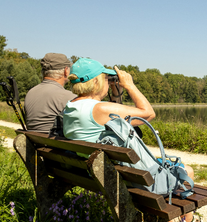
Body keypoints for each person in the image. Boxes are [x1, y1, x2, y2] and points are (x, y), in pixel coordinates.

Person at [61, 57, 194, 180]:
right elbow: (148, 114)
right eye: (107, 78)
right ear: (96, 82)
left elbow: (116, 120)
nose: (109, 82)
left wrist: (116, 92)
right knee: (188, 170)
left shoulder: (70, 107)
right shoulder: (99, 109)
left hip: (97, 170)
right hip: (123, 175)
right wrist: (130, 85)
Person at [24, 53, 74, 133]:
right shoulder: (68, 96)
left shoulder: (31, 92)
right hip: (55, 144)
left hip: (35, 142)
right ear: (65, 71)